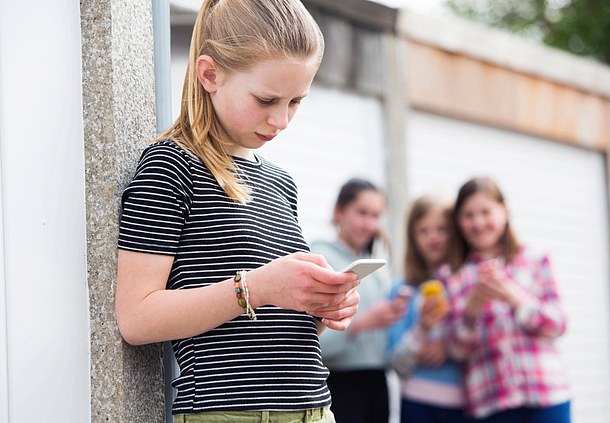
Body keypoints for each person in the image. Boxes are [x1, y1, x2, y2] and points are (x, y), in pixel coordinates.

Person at [114, 1, 361, 421]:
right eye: (267, 99)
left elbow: (259, 329)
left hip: (317, 410)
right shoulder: (171, 167)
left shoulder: (281, 182)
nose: (282, 120)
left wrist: (318, 304)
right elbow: (136, 318)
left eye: (296, 101)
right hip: (230, 413)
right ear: (209, 75)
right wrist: (257, 288)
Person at [445, 177, 571, 422]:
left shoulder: (535, 259)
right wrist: (472, 310)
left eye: (485, 212)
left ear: (504, 211)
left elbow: (559, 324)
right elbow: (455, 351)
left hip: (546, 394)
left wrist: (515, 297)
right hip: (490, 401)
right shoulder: (453, 276)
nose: (478, 222)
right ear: (459, 222)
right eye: (468, 215)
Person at [311, 178, 408, 423]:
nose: (369, 224)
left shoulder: (378, 268)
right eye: (361, 213)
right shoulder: (319, 259)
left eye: (376, 216)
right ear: (338, 211)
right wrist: (362, 323)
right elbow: (310, 340)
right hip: (338, 383)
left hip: (377, 383)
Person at [388, 195, 471, 423]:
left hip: (465, 405)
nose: (432, 238)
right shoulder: (402, 290)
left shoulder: (466, 282)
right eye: (423, 231)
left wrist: (448, 347)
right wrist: (421, 328)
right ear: (412, 237)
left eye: (441, 229)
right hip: (416, 403)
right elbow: (397, 365)